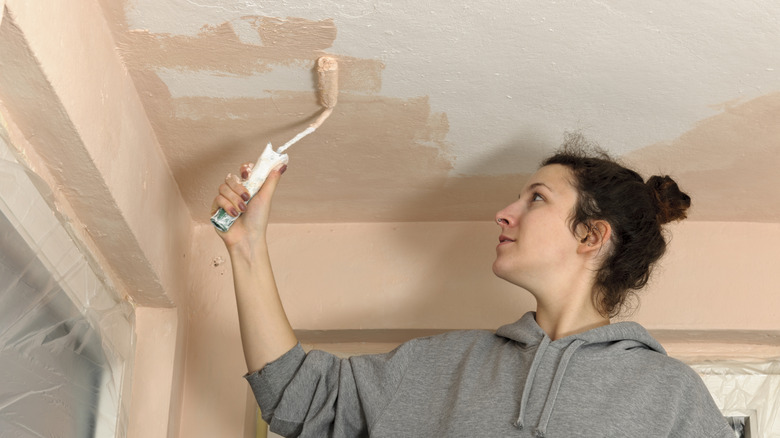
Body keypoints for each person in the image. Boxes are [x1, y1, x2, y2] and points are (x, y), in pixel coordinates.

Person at [212, 139, 734, 437]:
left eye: (535, 198)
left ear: (590, 235)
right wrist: (246, 245)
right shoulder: (436, 365)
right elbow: (293, 394)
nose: (503, 213)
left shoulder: (668, 395)